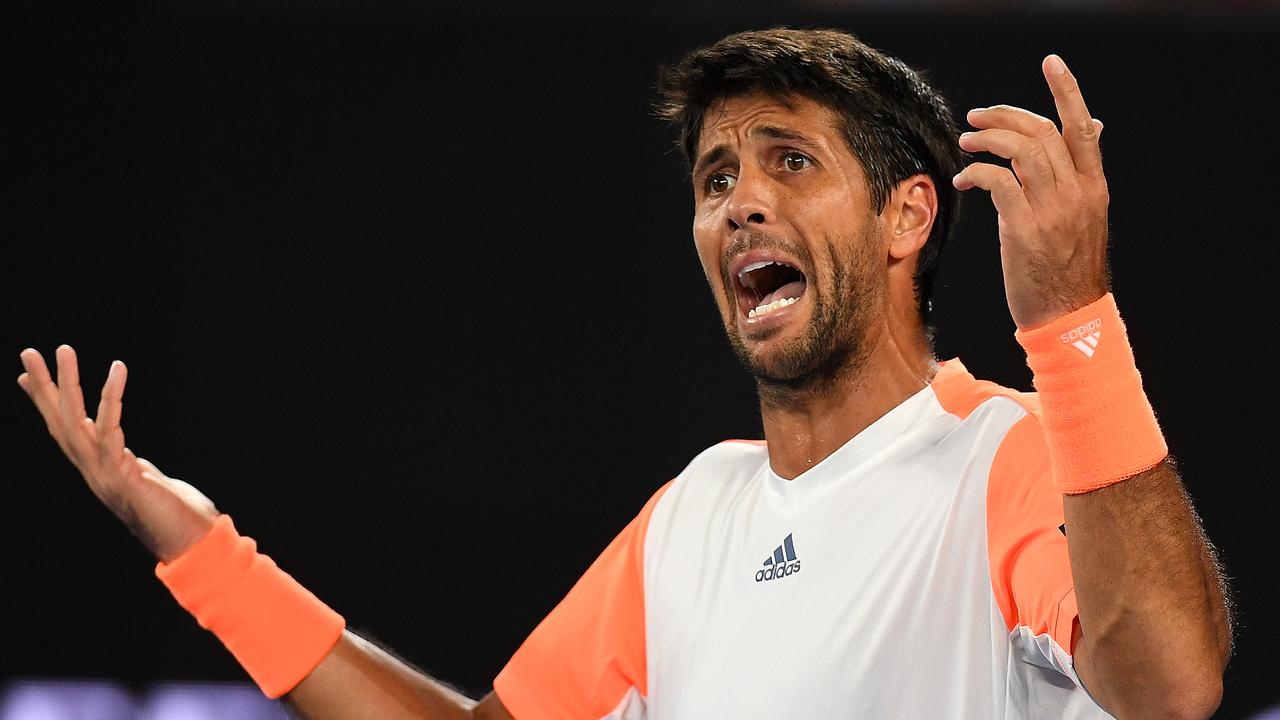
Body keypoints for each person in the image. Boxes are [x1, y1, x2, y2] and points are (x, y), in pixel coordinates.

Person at [16, 28, 1232, 720]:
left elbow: (1170, 686)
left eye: (788, 163)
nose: (739, 202)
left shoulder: (1010, 454)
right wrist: (201, 552)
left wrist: (1073, 324)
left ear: (905, 216)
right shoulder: (695, 514)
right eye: (713, 180)